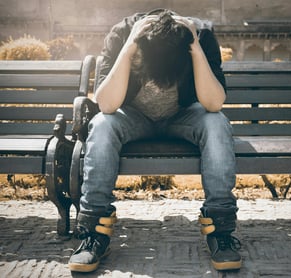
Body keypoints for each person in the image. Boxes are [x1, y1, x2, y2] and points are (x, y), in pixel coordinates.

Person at [68, 8, 241, 273]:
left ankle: (220, 229)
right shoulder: (122, 35)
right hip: (133, 117)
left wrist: (194, 48)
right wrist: (128, 49)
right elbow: (106, 104)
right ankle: (93, 233)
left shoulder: (200, 36)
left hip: (183, 116)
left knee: (216, 123)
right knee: (102, 125)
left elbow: (214, 103)